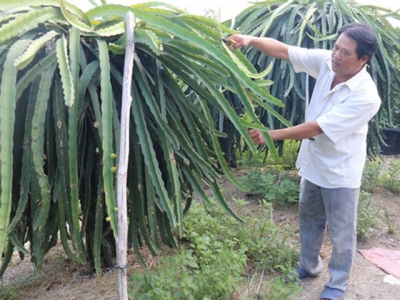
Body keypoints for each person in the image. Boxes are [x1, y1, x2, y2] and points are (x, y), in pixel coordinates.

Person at [228, 23, 381, 300]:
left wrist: (271, 134)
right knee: (309, 219)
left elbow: (317, 128)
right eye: (336, 47)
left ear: (362, 60)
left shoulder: (366, 96)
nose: (335, 55)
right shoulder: (328, 63)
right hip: (313, 163)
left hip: (340, 170)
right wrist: (249, 40)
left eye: (344, 52)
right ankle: (309, 266)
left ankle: (337, 283)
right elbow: (285, 51)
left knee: (341, 231)